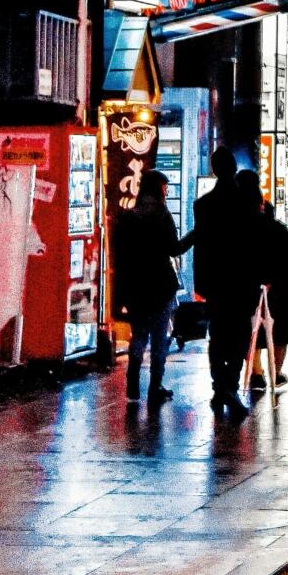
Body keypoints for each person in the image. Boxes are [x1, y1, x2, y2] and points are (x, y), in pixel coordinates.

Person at [112, 168, 187, 409]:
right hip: (160, 286)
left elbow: (120, 258)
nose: (166, 193)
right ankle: (155, 387)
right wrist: (196, 234)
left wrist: (119, 294)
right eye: (165, 189)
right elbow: (174, 249)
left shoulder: (128, 217)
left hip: (134, 285)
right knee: (159, 338)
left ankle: (132, 384)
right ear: (158, 189)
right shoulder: (162, 215)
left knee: (139, 335)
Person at [192, 145, 258, 420]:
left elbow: (202, 247)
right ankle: (229, 383)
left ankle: (220, 386)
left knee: (217, 336)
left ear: (214, 170)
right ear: (234, 168)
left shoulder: (203, 205)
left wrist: (200, 282)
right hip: (242, 279)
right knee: (241, 335)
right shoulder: (247, 202)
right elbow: (254, 243)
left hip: (215, 280)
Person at [238, 168, 288, 391]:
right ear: (261, 204)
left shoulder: (238, 229)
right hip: (279, 289)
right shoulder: (279, 229)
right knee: (279, 332)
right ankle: (276, 372)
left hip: (247, 287)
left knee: (251, 331)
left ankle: (256, 371)